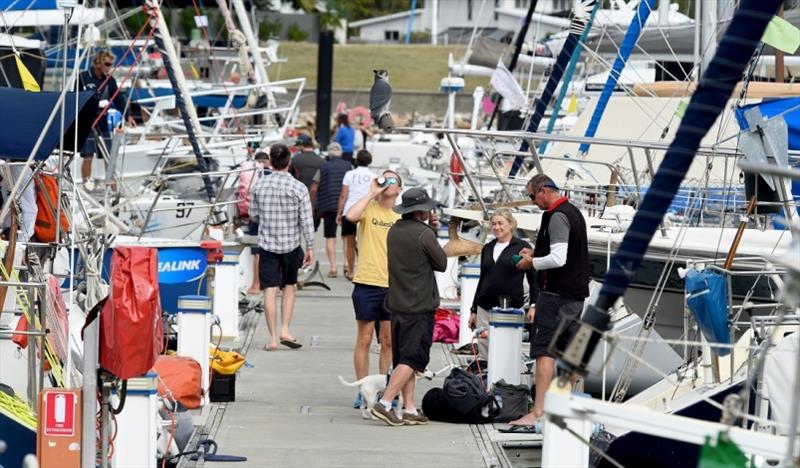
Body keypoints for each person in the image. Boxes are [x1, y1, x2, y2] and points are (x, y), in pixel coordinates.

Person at [509, 174, 589, 428]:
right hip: (575, 297)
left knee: (544, 353)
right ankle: (568, 407)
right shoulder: (573, 211)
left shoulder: (557, 216)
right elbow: (562, 252)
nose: (533, 202)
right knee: (571, 353)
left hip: (555, 297)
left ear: (543, 191)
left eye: (532, 196)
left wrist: (531, 261)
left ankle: (539, 412)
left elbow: (558, 258)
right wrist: (536, 252)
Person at [370, 188, 446, 426]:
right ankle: (385, 402)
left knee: (404, 358)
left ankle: (410, 408)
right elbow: (441, 263)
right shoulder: (424, 233)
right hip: (419, 305)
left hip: (398, 303)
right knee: (414, 359)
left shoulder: (394, 230)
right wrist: (433, 230)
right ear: (421, 211)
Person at [345, 170, 403, 408]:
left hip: (392, 284)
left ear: (400, 189)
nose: (388, 182)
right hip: (367, 281)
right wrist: (372, 192)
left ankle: (385, 390)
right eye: (384, 178)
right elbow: (351, 216)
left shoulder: (401, 216)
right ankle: (363, 388)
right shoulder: (369, 208)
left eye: (393, 180)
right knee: (365, 339)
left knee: (388, 341)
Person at [249, 144, 314, 351]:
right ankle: (285, 329)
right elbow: (306, 221)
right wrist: (310, 246)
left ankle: (272, 338)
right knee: (289, 286)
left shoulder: (259, 185)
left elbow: (253, 215)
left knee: (269, 290)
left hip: (267, 245)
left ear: (271, 162)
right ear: (289, 162)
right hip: (291, 245)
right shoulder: (298, 187)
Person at [468, 208, 536, 361]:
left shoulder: (522, 247)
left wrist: (533, 305)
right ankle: (486, 383)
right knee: (485, 354)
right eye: (493, 224)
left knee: (507, 354)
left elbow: (533, 280)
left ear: (511, 224)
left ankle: (505, 384)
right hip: (484, 308)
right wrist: (473, 310)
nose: (496, 227)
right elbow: (482, 280)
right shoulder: (487, 248)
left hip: (511, 310)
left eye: (500, 223)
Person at [79, 50, 136, 186]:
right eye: (107, 64)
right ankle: (86, 185)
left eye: (111, 64)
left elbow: (119, 99)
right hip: (87, 122)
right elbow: (76, 98)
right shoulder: (83, 77)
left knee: (109, 156)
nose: (109, 67)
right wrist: (94, 104)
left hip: (102, 121)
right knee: (88, 155)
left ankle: (112, 186)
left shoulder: (109, 80)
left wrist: (128, 116)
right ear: (99, 63)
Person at [309, 142, 350, 277]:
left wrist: (312, 204)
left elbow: (314, 188)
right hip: (346, 207)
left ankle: (333, 268)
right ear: (341, 153)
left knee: (330, 237)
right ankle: (346, 264)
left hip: (328, 206)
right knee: (346, 237)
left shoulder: (323, 167)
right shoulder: (348, 166)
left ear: (329, 154)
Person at [337, 150, 375, 280]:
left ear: (356, 160)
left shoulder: (349, 174)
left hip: (350, 210)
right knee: (366, 243)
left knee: (350, 243)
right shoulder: (373, 176)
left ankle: (351, 271)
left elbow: (343, 195)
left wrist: (339, 212)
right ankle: (366, 270)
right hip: (366, 211)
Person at [243, 151, 271, 294]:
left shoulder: (253, 174)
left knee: (257, 252)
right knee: (273, 251)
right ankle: (274, 285)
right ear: (268, 162)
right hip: (273, 217)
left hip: (258, 217)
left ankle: (256, 284)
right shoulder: (272, 175)